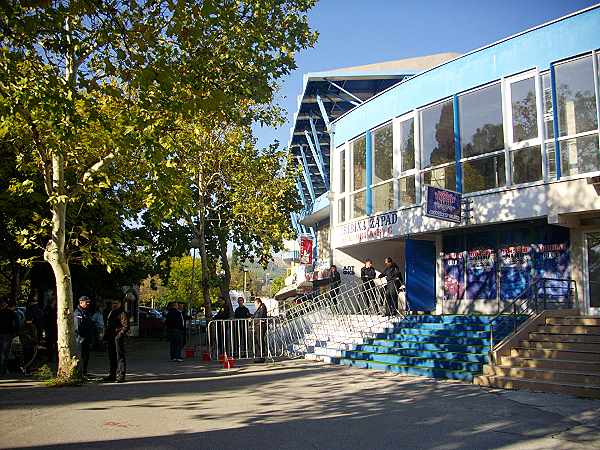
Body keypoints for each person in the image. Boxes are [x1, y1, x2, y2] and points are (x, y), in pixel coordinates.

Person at [103, 299, 129, 382]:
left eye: (116, 303)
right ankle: (112, 375)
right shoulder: (111, 312)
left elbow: (126, 326)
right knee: (112, 357)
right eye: (113, 303)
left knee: (119, 357)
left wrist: (119, 335)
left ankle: (121, 375)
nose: (114, 304)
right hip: (111, 338)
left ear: (120, 304)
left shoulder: (122, 313)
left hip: (117, 338)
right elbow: (108, 326)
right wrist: (105, 337)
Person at [74, 296, 95, 377]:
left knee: (86, 356)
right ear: (81, 302)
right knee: (81, 356)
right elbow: (78, 327)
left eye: (88, 302)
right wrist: (82, 337)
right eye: (86, 302)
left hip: (86, 338)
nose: (88, 303)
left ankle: (84, 372)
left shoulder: (86, 311)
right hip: (80, 339)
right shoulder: (78, 313)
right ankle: (80, 373)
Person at [0, 298, 19, 377]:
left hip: (2, 333)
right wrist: (15, 332)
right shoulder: (11, 313)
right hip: (8, 334)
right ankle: (3, 371)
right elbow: (17, 323)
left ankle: (3, 370)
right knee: (5, 353)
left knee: (2, 353)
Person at [252, 297, 268, 362]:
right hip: (257, 326)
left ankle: (261, 356)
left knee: (260, 340)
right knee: (257, 341)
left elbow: (261, 316)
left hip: (261, 326)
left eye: (255, 304)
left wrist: (256, 320)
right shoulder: (259, 308)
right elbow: (255, 315)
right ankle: (258, 356)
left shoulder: (262, 307)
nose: (255, 306)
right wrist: (251, 318)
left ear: (259, 303)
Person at [43, 295, 58, 362]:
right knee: (50, 343)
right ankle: (50, 357)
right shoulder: (49, 309)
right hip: (50, 328)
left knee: (53, 343)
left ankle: (54, 357)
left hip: (53, 328)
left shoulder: (54, 308)